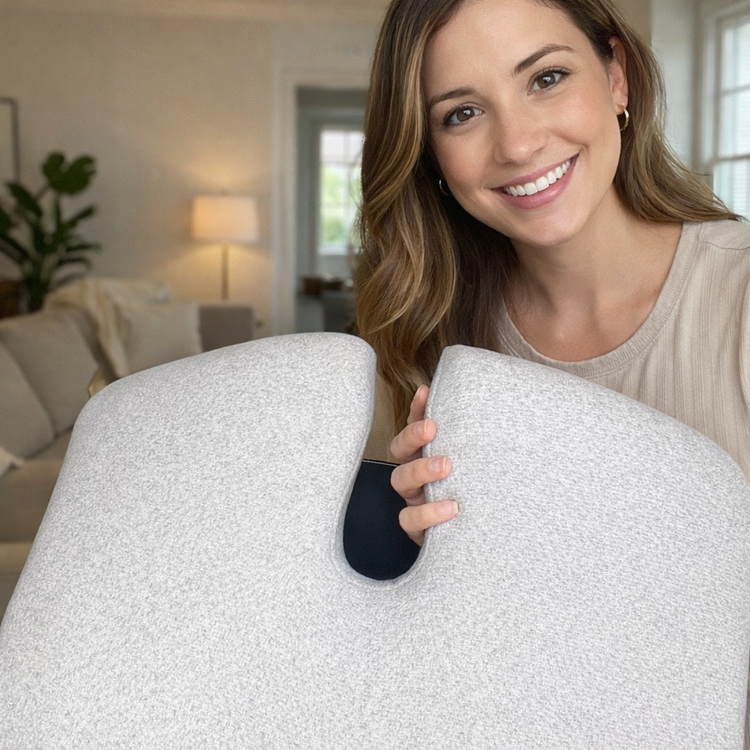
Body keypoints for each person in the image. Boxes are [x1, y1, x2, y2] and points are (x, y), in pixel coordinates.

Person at [354, 0, 750, 736]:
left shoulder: (740, 297)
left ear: (617, 77)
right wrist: (417, 558)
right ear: (429, 154)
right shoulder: (427, 348)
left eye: (545, 78)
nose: (518, 143)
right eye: (462, 113)